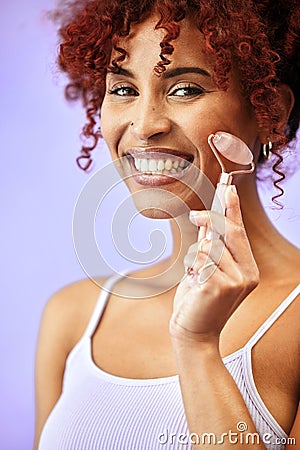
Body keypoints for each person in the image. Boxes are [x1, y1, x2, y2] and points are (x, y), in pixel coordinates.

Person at [34, 0, 300, 449]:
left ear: (267, 109)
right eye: (122, 89)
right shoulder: (73, 318)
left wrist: (198, 348)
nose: (145, 124)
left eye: (185, 89)